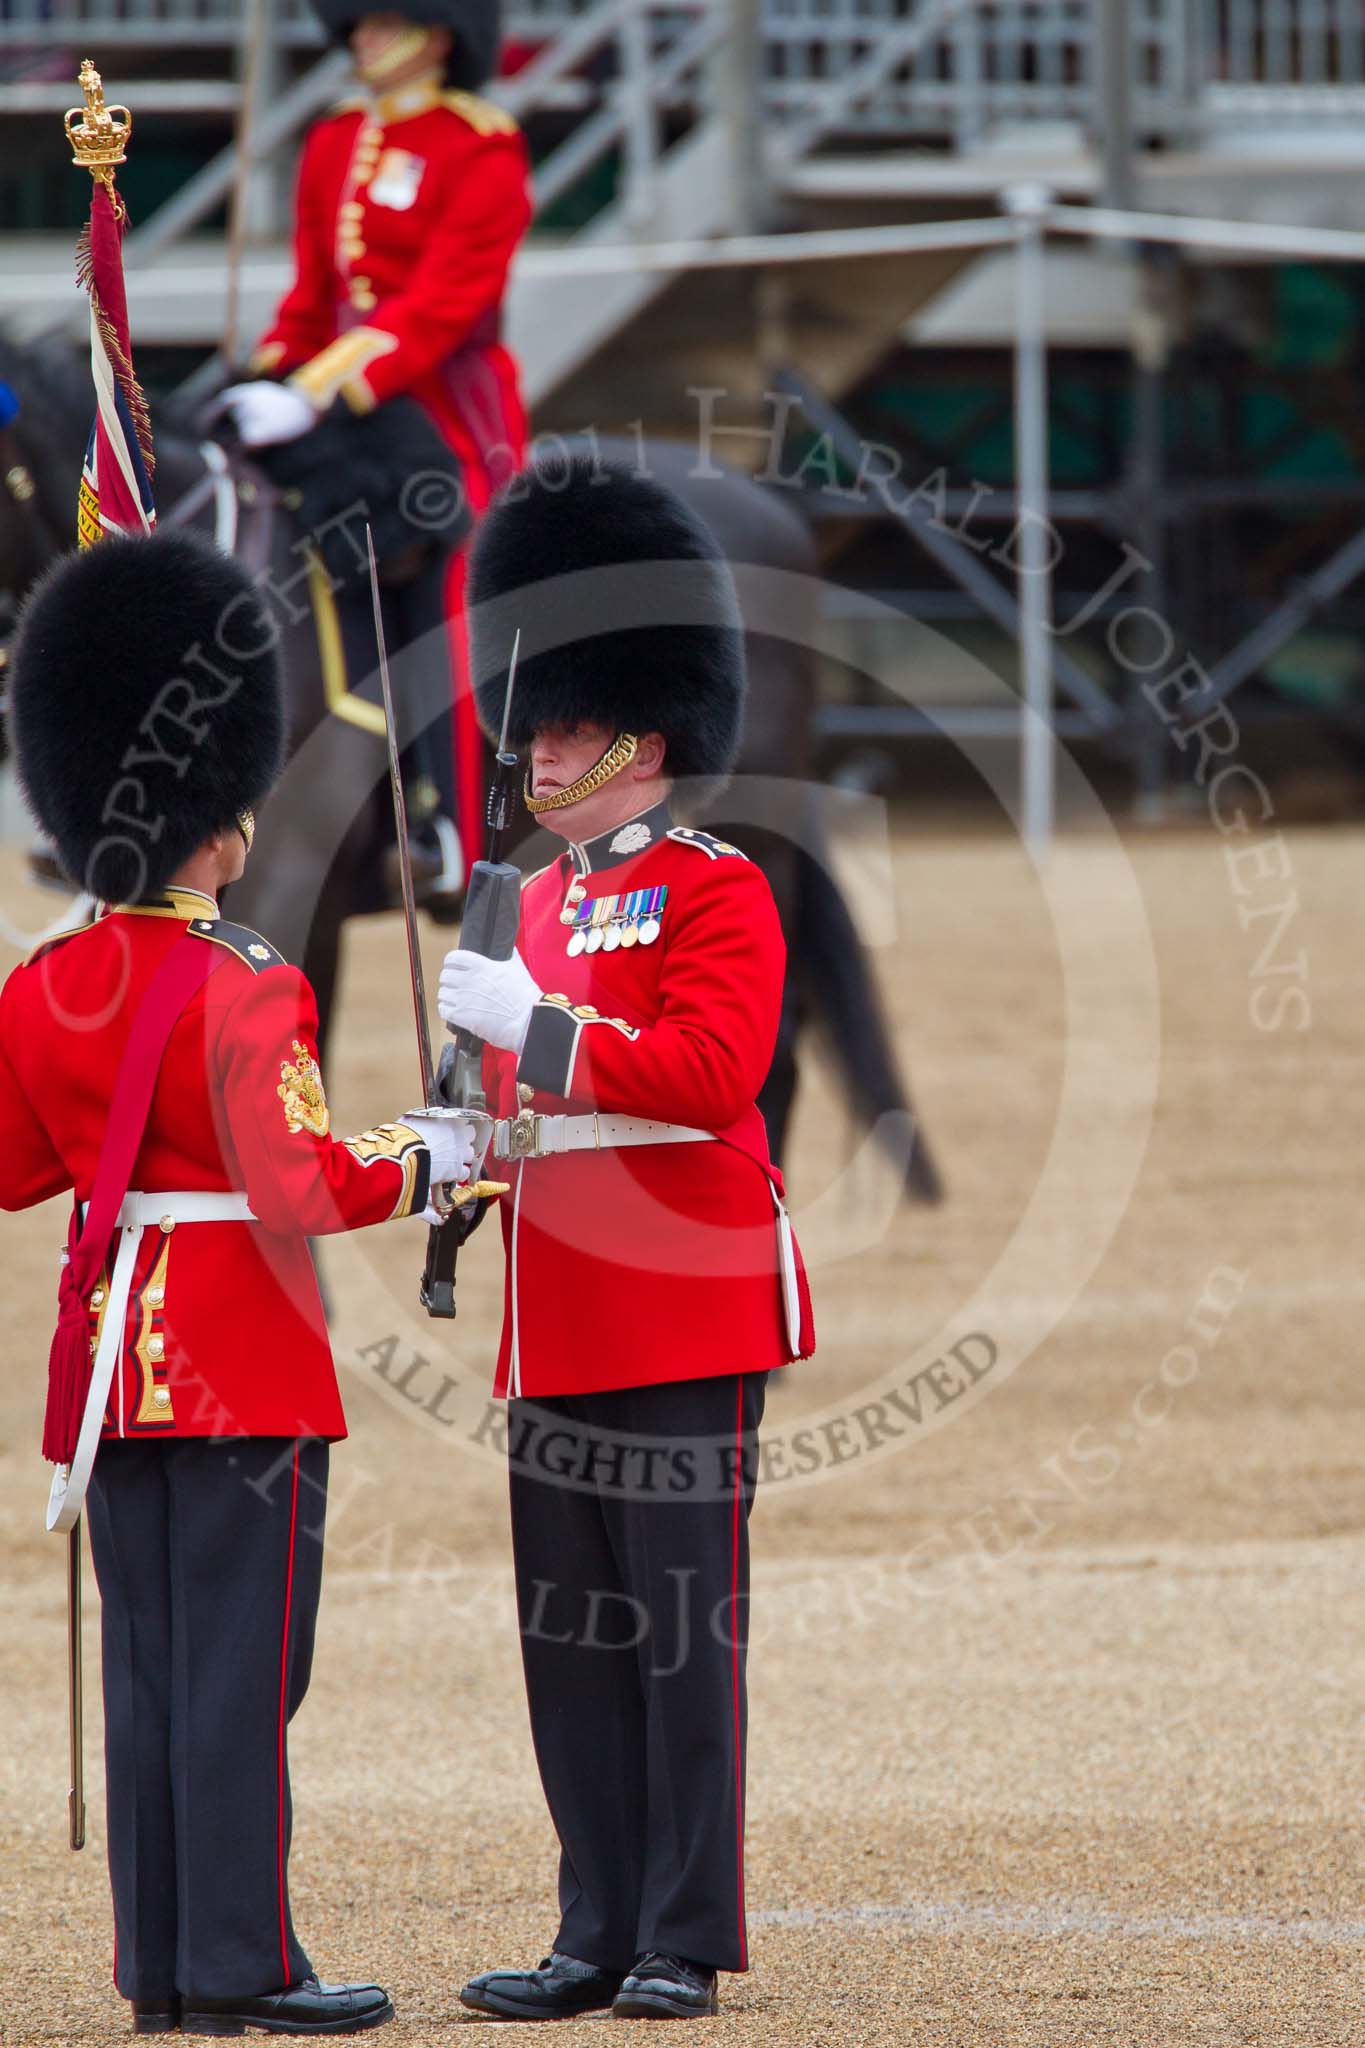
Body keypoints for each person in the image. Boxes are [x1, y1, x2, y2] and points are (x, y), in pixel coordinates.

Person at [0, 527, 474, 2036]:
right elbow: (306, 1184)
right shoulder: (247, 977)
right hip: (238, 1358)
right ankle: (246, 1965)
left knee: (152, 1673)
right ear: (221, 817)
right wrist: (434, 1149)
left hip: (108, 1374)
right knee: (245, 1680)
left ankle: (161, 1972)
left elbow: (17, 1171)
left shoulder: (45, 980)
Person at [435, 456, 816, 2021]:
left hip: (685, 1301)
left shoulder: (717, 891)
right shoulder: (517, 903)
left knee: (678, 1643)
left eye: (568, 726)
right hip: (562, 1304)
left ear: (644, 741)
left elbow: (711, 1079)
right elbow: (515, 1107)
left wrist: (541, 1031)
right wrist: (458, 1138)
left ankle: (681, 1932)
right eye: (534, 725)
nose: (536, 748)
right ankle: (592, 1923)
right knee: (572, 1643)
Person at [220, 0, 532, 889]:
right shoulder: (335, 138)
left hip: (442, 411)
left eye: (380, 20)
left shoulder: (481, 145)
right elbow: (313, 293)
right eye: (355, 20)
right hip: (337, 404)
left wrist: (316, 390)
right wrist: (270, 374)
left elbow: (439, 308)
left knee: (449, 582)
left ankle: (457, 831)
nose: (358, 35)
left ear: (436, 34)